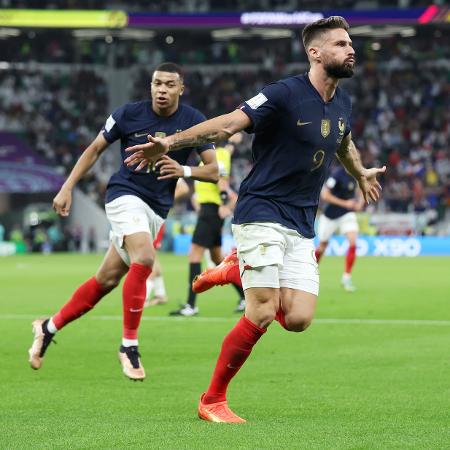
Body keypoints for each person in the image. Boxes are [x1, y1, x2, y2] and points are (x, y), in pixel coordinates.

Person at [124, 17, 385, 421]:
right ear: (314, 52)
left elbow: (343, 142)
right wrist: (171, 142)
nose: (351, 49)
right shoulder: (284, 94)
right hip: (261, 209)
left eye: (350, 43)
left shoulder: (343, 103)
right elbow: (228, 124)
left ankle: (234, 271)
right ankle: (212, 400)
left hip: (301, 221)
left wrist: (360, 171)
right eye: (340, 44)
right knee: (261, 311)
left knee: (298, 319)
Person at [28, 62, 218, 381]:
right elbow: (95, 149)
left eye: (170, 85)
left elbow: (214, 171)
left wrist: (184, 170)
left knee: (106, 280)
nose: (162, 89)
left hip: (157, 208)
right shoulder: (128, 113)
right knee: (145, 257)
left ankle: (48, 328)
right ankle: (129, 345)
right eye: (157, 83)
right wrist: (67, 187)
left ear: (181, 89)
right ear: (150, 85)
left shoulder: (194, 121)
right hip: (123, 195)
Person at [170, 132, 245, 317]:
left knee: (195, 253)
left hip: (211, 211)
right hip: (208, 210)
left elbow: (222, 179)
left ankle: (190, 304)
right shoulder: (219, 154)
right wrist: (232, 143)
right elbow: (226, 156)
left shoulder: (218, 155)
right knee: (218, 258)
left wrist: (225, 202)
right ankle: (246, 297)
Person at [315, 166, 365, 291]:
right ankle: (310, 273)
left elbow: (362, 189)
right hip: (330, 215)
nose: (356, 161)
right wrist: (345, 203)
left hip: (347, 214)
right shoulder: (336, 175)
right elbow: (325, 195)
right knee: (322, 247)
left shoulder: (356, 174)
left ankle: (346, 278)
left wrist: (360, 203)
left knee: (353, 242)